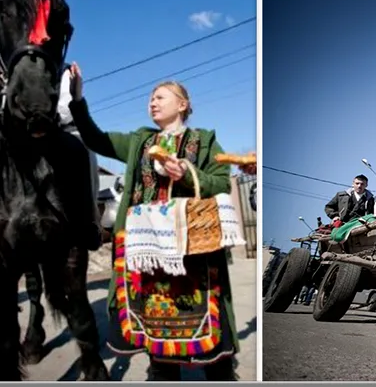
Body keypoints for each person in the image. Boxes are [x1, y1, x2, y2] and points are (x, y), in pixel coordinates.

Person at [66, 63, 239, 381]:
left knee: (211, 340)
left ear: (183, 105)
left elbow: (222, 183)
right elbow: (95, 138)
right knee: (156, 332)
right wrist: (77, 99)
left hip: (191, 252)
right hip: (147, 251)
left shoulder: (203, 141)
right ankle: (161, 371)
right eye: (150, 99)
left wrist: (188, 174)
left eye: (160, 96)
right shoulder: (139, 142)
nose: (152, 102)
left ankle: (218, 369)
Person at [57, 66, 103, 250]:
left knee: (85, 159)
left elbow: (66, 109)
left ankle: (90, 225)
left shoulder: (65, 70)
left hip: (67, 129)